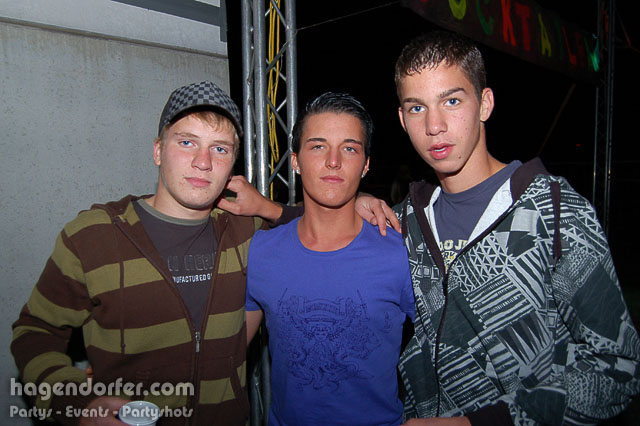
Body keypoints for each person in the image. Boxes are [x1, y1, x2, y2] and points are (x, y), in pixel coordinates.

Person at [386, 31, 640, 425]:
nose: (434, 125)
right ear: (403, 120)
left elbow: (618, 367)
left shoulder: (554, 211)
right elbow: (322, 231)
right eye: (417, 108)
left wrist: (486, 422)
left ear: (484, 104)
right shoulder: (402, 222)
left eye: (451, 101)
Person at [9, 80, 293, 426]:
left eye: (219, 149)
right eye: (187, 142)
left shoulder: (248, 232)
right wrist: (78, 404)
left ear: (232, 165)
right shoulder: (94, 236)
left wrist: (275, 208)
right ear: (158, 151)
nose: (203, 162)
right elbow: (35, 333)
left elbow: (327, 227)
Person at [244, 92, 415, 425]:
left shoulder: (399, 253)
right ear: (295, 160)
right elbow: (227, 354)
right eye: (318, 146)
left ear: (366, 164)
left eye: (349, 148)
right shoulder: (262, 251)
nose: (333, 161)